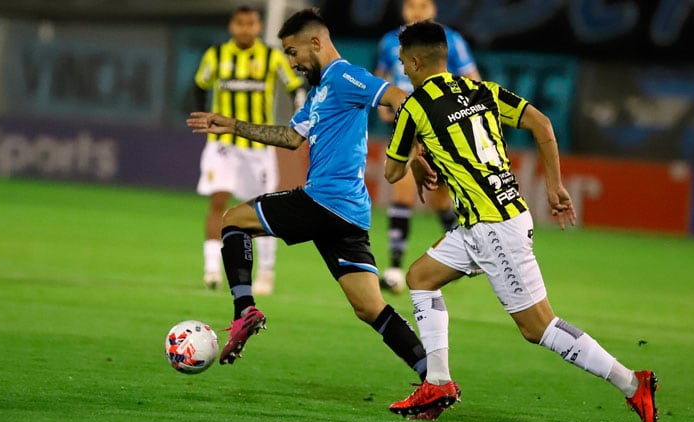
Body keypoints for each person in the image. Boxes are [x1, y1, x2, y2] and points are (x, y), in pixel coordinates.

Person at [383, 21, 659, 422]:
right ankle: (437, 384)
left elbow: (389, 172)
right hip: (493, 218)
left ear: (417, 61)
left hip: (494, 228)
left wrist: (416, 162)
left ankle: (632, 383)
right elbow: (543, 124)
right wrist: (554, 185)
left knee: (538, 327)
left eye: (404, 62)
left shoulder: (415, 107)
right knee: (421, 277)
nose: (402, 70)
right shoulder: (482, 91)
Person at [186, 9, 429, 385]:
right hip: (347, 213)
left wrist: (412, 156)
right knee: (369, 307)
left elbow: (402, 98)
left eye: (293, 52)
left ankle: (244, 310)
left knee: (234, 219)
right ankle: (434, 377)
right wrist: (233, 125)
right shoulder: (319, 93)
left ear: (316, 43)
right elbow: (290, 137)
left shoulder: (346, 76)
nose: (292, 62)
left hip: (324, 199)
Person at [194, 6, 306, 294]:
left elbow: (296, 87)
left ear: (258, 27)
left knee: (262, 209)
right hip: (222, 146)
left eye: (251, 24)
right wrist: (201, 115)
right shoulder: (216, 56)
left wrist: (300, 117)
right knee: (218, 202)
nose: (245, 29)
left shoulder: (271, 57)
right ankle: (211, 270)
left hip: (258, 146)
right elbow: (199, 85)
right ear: (233, 26)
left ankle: (266, 271)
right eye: (240, 24)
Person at [374, 0, 481, 294]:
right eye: (410, 5)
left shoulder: (450, 40)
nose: (416, 12)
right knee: (403, 189)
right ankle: (395, 267)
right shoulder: (389, 41)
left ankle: (470, 250)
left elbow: (473, 81)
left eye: (422, 5)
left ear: (433, 9)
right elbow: (383, 76)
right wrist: (384, 102)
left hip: (441, 127)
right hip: (408, 124)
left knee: (441, 201)